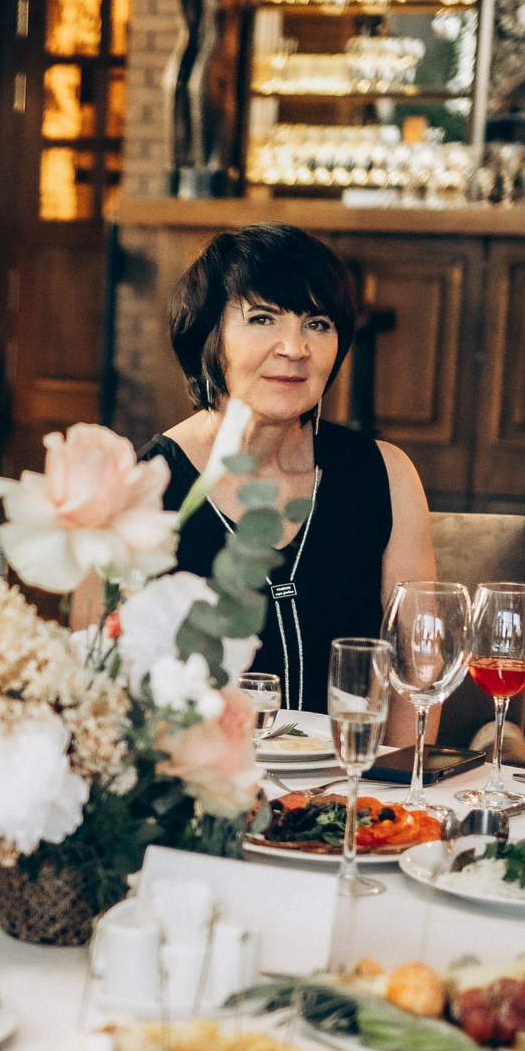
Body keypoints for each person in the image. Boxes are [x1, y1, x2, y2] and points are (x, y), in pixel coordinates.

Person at [135, 222, 438, 724]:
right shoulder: (146, 488)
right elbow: (109, 683)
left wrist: (393, 789)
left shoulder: (386, 475)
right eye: (262, 319)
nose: (295, 348)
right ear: (209, 337)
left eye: (317, 323)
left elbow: (415, 675)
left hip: (355, 787)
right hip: (200, 789)